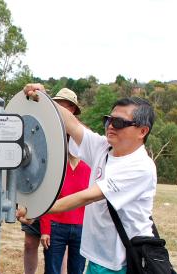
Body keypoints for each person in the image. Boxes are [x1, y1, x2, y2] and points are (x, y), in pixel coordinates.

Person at [18, 83, 157, 274]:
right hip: (99, 258)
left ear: (142, 131)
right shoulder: (104, 149)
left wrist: (38, 209)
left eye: (120, 123)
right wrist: (44, 98)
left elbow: (87, 196)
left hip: (123, 262)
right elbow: (73, 124)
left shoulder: (140, 166)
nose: (110, 127)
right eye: (109, 120)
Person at [39, 88, 91, 274]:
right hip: (56, 226)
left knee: (76, 270)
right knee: (52, 270)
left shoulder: (89, 165)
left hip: (81, 227)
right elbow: (47, 194)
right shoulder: (55, 163)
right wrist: (45, 228)